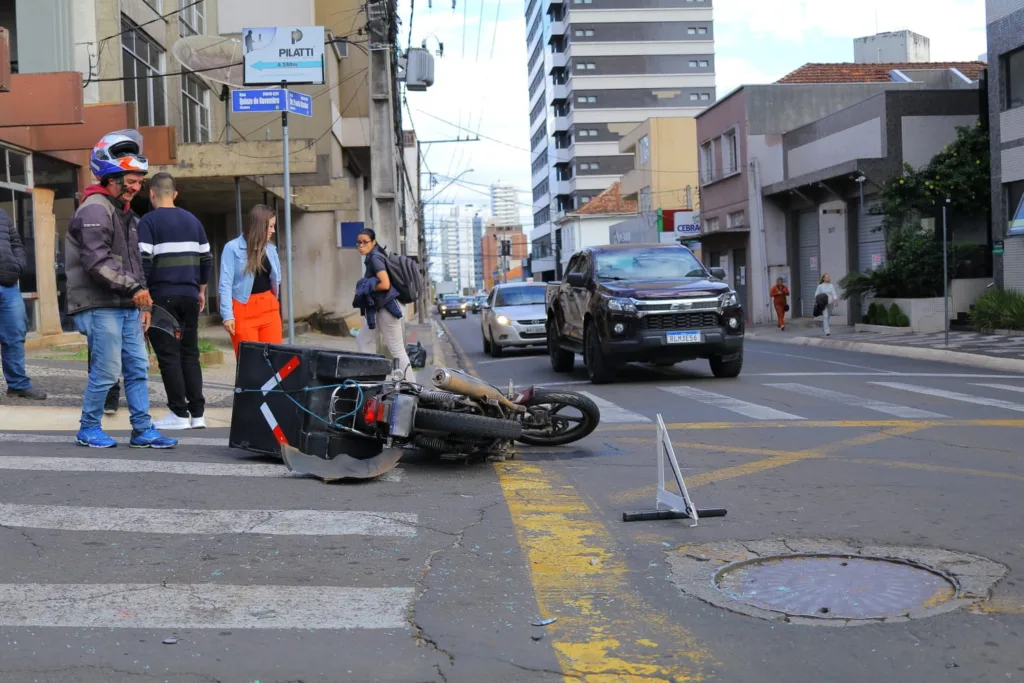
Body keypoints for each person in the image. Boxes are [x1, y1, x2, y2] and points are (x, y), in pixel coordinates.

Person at [65, 130, 177, 449]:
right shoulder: (95, 209)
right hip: (99, 304)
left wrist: (142, 302)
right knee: (108, 369)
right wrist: (135, 290)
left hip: (124, 305)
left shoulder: (125, 213)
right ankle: (88, 428)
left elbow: (133, 263)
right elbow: (96, 263)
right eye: (130, 180)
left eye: (139, 181)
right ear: (110, 176)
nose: (136, 187)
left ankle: (142, 430)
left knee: (138, 367)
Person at [138, 172, 212, 431]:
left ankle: (179, 414)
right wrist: (201, 290)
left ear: (151, 193)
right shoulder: (193, 221)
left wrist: (144, 302)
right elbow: (206, 259)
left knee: (169, 356)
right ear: (175, 194)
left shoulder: (148, 222)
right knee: (191, 354)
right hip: (190, 296)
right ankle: (198, 414)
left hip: (162, 297)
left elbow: (144, 262)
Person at [219, 204, 282, 356]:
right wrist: (227, 315)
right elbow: (225, 283)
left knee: (275, 358)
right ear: (260, 226)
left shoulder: (270, 249)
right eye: (271, 226)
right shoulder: (232, 248)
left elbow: (275, 280)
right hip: (243, 308)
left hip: (269, 306)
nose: (273, 231)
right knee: (250, 363)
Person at [353, 228, 413, 381]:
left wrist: (369, 287)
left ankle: (413, 385)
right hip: (378, 309)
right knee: (364, 340)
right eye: (359, 242)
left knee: (396, 349)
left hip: (386, 309)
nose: (361, 245)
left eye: (365, 242)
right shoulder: (372, 256)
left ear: (373, 242)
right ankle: (373, 378)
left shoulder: (375, 258)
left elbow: (385, 284)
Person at [0, 208, 46, 402]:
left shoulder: (2, 214)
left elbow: (16, 243)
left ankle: (18, 385)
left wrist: (19, 265)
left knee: (15, 335)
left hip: (8, 284)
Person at [815, 273, 839, 337]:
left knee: (828, 317)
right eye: (827, 277)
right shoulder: (820, 286)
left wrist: (836, 300)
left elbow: (834, 293)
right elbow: (816, 294)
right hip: (823, 304)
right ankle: (827, 331)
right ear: (823, 278)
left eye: (829, 277)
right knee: (825, 316)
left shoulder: (831, 285)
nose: (828, 278)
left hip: (830, 303)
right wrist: (819, 301)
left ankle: (825, 326)